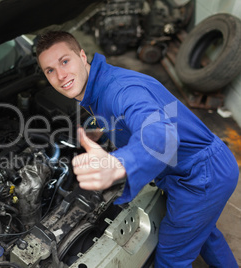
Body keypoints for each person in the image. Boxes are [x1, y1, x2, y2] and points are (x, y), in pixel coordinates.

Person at [35, 31, 239, 267]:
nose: (60, 76)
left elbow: (160, 136)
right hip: (194, 167)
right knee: (204, 234)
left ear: (82, 55)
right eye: (50, 70)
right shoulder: (99, 85)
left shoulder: (122, 90)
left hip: (201, 176)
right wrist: (102, 129)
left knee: (171, 257)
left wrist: (119, 163)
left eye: (64, 61)